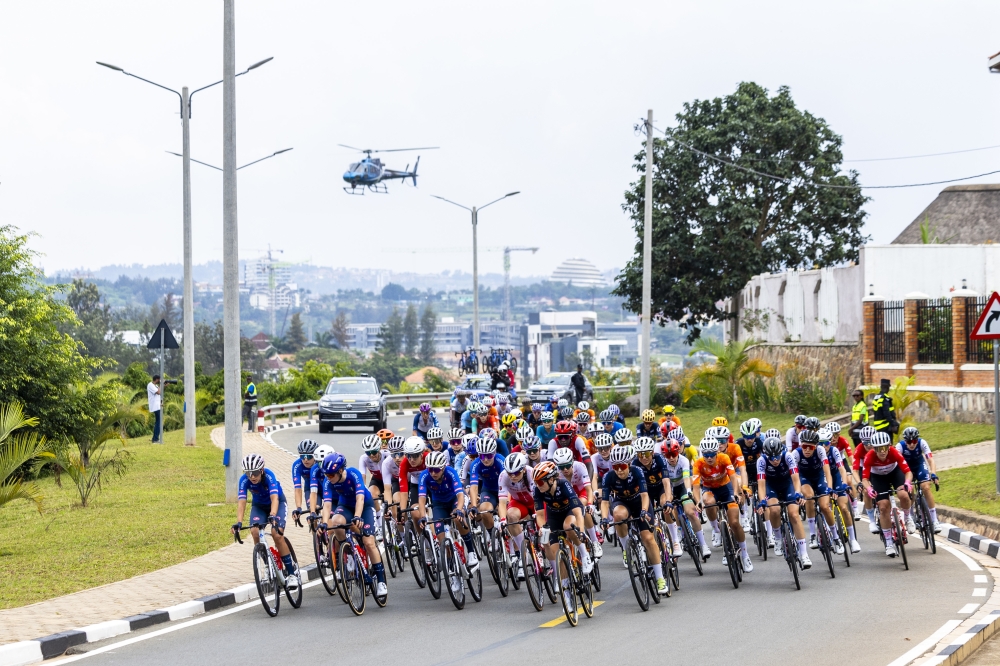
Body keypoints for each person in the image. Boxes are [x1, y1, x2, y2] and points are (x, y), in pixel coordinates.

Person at [598, 446, 667, 593]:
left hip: (640, 503)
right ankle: (626, 547)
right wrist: (604, 518)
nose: (619, 470)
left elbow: (644, 495)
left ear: (628, 464)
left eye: (622, 466)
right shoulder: (609, 477)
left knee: (648, 538)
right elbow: (604, 502)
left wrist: (643, 511)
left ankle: (660, 578)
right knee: (617, 515)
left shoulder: (637, 471)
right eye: (615, 466)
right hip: (623, 503)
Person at [320, 452, 387, 595]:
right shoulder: (328, 482)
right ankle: (348, 552)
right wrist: (324, 524)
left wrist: (357, 516)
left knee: (369, 542)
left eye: (331, 475)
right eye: (326, 475)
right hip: (345, 506)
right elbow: (327, 505)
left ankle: (381, 581)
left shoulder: (353, 474)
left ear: (340, 470)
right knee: (336, 521)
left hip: (365, 506)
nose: (328, 478)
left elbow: (360, 499)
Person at [232, 453, 299, 588]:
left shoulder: (269, 476)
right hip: (259, 507)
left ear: (261, 470)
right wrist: (239, 522)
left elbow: (275, 498)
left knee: (277, 534)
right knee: (255, 531)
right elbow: (242, 502)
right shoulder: (244, 481)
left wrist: (273, 514)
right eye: (248, 473)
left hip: (277, 504)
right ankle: (268, 565)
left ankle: (292, 574)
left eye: (255, 473)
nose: (252, 476)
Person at [534, 461, 595, 608]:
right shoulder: (538, 491)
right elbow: (540, 515)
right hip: (553, 515)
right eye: (535, 482)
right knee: (547, 543)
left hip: (571, 511)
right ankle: (566, 593)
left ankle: (584, 555)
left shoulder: (563, 485)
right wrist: (543, 528)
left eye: (540, 481)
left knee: (568, 527)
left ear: (551, 479)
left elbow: (578, 514)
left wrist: (580, 532)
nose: (537, 485)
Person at [692, 437, 753, 572]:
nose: (709, 458)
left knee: (735, 523)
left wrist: (736, 493)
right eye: (706, 454)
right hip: (710, 490)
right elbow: (696, 487)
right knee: (708, 501)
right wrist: (698, 502)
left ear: (717, 453)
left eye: (712, 454)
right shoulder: (698, 464)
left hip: (726, 488)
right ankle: (716, 530)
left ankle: (744, 554)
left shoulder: (724, 458)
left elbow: (732, 476)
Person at [755, 437, 811, 568]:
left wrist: (798, 493)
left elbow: (796, 480)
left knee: (794, 514)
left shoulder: (788, 456)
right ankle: (778, 538)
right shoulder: (761, 461)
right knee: (774, 510)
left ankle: (804, 554)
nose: (774, 460)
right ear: (766, 455)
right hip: (771, 486)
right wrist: (762, 501)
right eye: (771, 458)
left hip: (788, 485)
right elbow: (761, 485)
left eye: (777, 457)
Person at [418, 450, 479, 570]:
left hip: (454, 500)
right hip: (438, 504)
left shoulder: (450, 472)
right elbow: (421, 499)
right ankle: (452, 569)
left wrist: (459, 509)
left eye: (436, 470)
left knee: (458, 518)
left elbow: (460, 495)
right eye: (430, 470)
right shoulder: (424, 476)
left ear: (443, 468)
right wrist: (422, 517)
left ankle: (471, 553)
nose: (433, 473)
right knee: (441, 538)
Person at [862, 431, 913, 557]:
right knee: (883, 506)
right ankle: (889, 543)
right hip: (878, 478)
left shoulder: (894, 452)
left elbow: (908, 472)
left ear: (889, 446)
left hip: (894, 473)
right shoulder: (869, 457)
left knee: (903, 495)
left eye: (885, 447)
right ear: (874, 449)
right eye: (879, 449)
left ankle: (907, 517)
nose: (883, 451)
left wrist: (907, 482)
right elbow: (865, 479)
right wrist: (869, 489)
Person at [897, 427, 940, 533]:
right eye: (909, 441)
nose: (912, 444)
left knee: (926, 487)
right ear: (905, 441)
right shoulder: (899, 447)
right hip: (906, 469)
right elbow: (895, 464)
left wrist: (933, 473)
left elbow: (930, 459)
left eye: (914, 441)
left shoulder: (922, 443)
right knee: (909, 490)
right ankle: (910, 516)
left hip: (919, 466)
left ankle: (934, 520)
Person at [147, 375, 162, 443]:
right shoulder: (150, 385)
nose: (159, 381)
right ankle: (155, 439)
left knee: (158, 422)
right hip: (155, 406)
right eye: (159, 380)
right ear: (156, 379)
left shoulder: (155, 386)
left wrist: (164, 386)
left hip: (158, 406)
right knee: (158, 422)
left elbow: (159, 391)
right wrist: (161, 385)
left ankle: (155, 438)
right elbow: (158, 392)